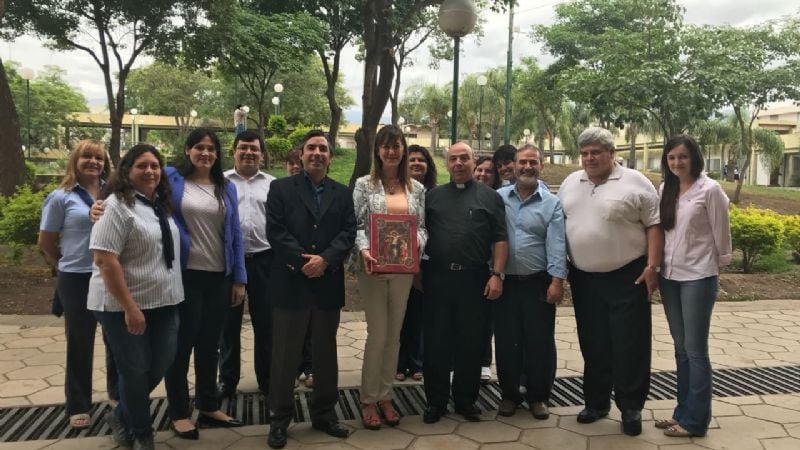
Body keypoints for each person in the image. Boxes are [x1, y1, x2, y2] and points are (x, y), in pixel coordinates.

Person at [558, 127, 663, 437]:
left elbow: (654, 225)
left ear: (611, 153)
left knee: (629, 343)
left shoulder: (635, 181)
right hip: (583, 278)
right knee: (593, 342)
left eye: (596, 152)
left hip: (627, 275)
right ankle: (596, 402)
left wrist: (653, 266)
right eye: (585, 153)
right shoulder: (570, 182)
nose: (590, 158)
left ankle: (631, 407)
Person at [88, 144, 183, 450]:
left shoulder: (158, 205)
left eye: (155, 165)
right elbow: (105, 259)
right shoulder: (115, 205)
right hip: (123, 305)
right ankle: (142, 431)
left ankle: (120, 414)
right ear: (127, 171)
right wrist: (130, 308)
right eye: (142, 165)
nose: (150, 171)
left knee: (162, 361)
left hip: (164, 301)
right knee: (134, 368)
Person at [266, 130, 356, 449]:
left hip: (327, 284)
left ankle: (324, 414)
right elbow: (275, 230)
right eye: (311, 148)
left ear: (330, 157)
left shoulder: (342, 194)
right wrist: (302, 261)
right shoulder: (280, 188)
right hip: (291, 282)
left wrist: (326, 260)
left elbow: (348, 232)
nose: (317, 153)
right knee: (285, 356)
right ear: (301, 155)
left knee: (325, 354)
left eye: (323, 149)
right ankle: (279, 419)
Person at [164, 129, 246, 438]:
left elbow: (235, 234)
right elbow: (135, 190)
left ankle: (209, 405)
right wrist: (99, 206)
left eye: (211, 148)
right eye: (200, 147)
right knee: (181, 344)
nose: (206, 153)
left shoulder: (226, 188)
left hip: (218, 277)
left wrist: (239, 278)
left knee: (210, 345)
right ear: (188, 150)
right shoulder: (171, 179)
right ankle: (179, 412)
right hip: (184, 275)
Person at [422, 142, 508, 423]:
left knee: (470, 342)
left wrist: (497, 274)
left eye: (464, 158)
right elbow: (418, 236)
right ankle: (435, 402)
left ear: (474, 163)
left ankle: (465, 400)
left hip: (474, 279)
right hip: (437, 277)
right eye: (453, 159)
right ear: (447, 164)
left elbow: (499, 238)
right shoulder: (432, 197)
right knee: (436, 342)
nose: (458, 163)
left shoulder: (490, 198)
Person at [656, 135, 732, 438]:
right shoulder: (666, 188)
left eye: (682, 157)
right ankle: (682, 412)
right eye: (671, 157)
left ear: (694, 158)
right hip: (670, 277)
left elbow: (721, 235)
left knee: (695, 350)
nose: (677, 162)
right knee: (680, 348)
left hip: (698, 277)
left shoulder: (711, 190)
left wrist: (717, 267)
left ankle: (696, 421)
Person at [353, 125, 427, 429]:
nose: (391, 151)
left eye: (396, 145)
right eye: (385, 146)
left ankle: (386, 395)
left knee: (394, 335)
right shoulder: (363, 185)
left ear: (403, 149)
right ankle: (368, 399)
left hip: (402, 270)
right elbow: (357, 225)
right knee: (378, 334)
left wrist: (414, 247)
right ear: (377, 151)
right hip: (372, 268)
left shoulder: (417, 189)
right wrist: (365, 251)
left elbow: (421, 227)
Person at [38, 139, 114, 430]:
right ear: (75, 161)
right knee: (81, 342)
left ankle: (118, 396)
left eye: (98, 157)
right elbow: (46, 241)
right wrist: (64, 263)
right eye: (87, 157)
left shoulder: (112, 193)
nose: (93, 162)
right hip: (77, 278)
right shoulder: (61, 197)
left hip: (109, 275)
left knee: (116, 340)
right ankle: (79, 404)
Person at [493, 144, 567, 420]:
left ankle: (538, 397)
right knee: (507, 340)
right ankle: (509, 395)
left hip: (539, 282)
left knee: (539, 341)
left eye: (532, 162)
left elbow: (557, 243)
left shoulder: (552, 203)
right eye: (522, 162)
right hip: (505, 282)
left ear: (541, 166)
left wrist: (557, 280)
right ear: (514, 165)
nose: (527, 167)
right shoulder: (498, 198)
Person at [217, 131, 277, 398]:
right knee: (228, 326)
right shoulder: (220, 182)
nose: (249, 153)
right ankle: (227, 382)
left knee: (266, 325)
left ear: (262, 154)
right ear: (234, 151)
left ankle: (267, 380)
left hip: (265, 261)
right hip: (229, 263)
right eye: (244, 148)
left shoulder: (273, 185)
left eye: (254, 149)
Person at [396, 145, 437, 382]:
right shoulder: (395, 192)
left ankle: (418, 362)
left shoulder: (434, 193)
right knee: (401, 315)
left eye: (421, 160)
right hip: (398, 263)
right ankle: (400, 363)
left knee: (421, 316)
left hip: (426, 264)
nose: (416, 164)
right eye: (411, 159)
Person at [473, 155, 501, 384]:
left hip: (495, 269)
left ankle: (484, 362)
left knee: (488, 320)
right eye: (479, 170)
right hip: (474, 267)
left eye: (488, 171)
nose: (483, 175)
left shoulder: (499, 199)